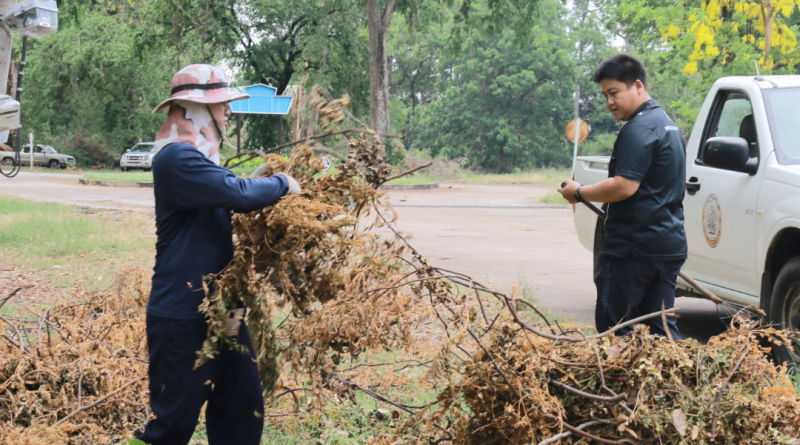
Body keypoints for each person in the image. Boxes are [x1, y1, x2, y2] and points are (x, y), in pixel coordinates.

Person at [136, 64, 301, 445]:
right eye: (222, 104)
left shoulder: (200, 164)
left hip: (225, 312)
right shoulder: (176, 159)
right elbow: (240, 195)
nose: (228, 112)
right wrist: (283, 183)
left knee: (240, 404)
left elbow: (231, 193)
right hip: (183, 317)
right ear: (193, 109)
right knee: (172, 422)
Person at [558, 54, 687, 339]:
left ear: (637, 86)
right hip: (668, 246)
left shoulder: (638, 129)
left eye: (614, 93)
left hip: (633, 250)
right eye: (605, 95)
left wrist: (578, 192)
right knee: (661, 330)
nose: (609, 102)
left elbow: (624, 186)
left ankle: (616, 382)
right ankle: (676, 383)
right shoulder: (666, 123)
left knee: (616, 330)